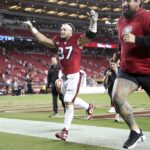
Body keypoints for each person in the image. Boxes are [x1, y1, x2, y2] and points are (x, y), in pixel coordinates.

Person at [24, 9, 98, 141]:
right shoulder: (57, 40)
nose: (61, 31)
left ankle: (65, 131)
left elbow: (91, 34)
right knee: (70, 99)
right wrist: (32, 28)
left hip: (75, 76)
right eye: (61, 29)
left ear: (71, 32)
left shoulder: (78, 40)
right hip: (64, 76)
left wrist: (94, 19)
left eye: (64, 29)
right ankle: (88, 106)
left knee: (68, 101)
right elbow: (43, 40)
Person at [112, 0, 150, 149]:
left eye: (128, 0)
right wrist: (116, 55)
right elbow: (121, 43)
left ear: (138, 2)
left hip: (148, 71)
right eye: (122, 1)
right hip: (127, 71)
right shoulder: (120, 21)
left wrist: (137, 39)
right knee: (117, 97)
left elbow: (134, 39)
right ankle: (135, 131)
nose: (124, 3)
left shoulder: (146, 17)